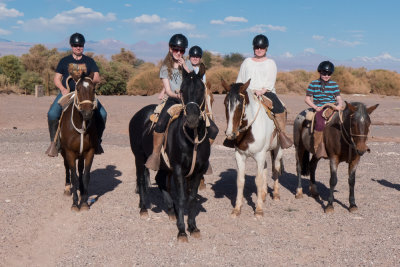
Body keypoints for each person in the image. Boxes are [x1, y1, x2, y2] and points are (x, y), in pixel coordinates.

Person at [46, 32, 106, 155]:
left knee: (103, 114)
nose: (78, 47)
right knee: (52, 114)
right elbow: (57, 78)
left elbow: (97, 78)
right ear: (71, 46)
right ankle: (54, 142)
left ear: (83, 46)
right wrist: (63, 89)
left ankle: (97, 141)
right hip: (68, 93)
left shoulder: (89, 61)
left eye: (80, 45)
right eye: (75, 45)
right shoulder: (64, 61)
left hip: (86, 95)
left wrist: (88, 80)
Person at [234, 34, 293, 149]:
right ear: (253, 48)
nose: (259, 50)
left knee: (279, 108)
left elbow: (270, 81)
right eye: (257, 47)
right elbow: (240, 79)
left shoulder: (270, 63)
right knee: (234, 108)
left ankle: (282, 134)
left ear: (266, 48)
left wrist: (262, 91)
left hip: (266, 92)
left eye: (262, 47)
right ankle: (232, 134)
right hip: (247, 92)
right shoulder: (246, 62)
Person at [145, 33, 193, 170]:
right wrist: (177, 96)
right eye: (176, 49)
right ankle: (155, 155)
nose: (179, 53)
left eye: (182, 50)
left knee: (206, 122)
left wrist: (185, 67)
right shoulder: (165, 67)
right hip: (173, 100)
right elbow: (168, 90)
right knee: (160, 122)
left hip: (189, 101)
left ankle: (203, 158)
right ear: (170, 49)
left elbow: (192, 81)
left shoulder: (188, 63)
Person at [305, 60, 343, 158]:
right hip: (320, 107)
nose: (326, 75)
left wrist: (339, 105)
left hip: (332, 107)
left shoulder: (334, 84)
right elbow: (307, 99)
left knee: (344, 120)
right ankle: (317, 147)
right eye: (324, 73)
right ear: (320, 72)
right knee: (320, 123)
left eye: (329, 73)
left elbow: (338, 97)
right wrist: (315, 107)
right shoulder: (313, 84)